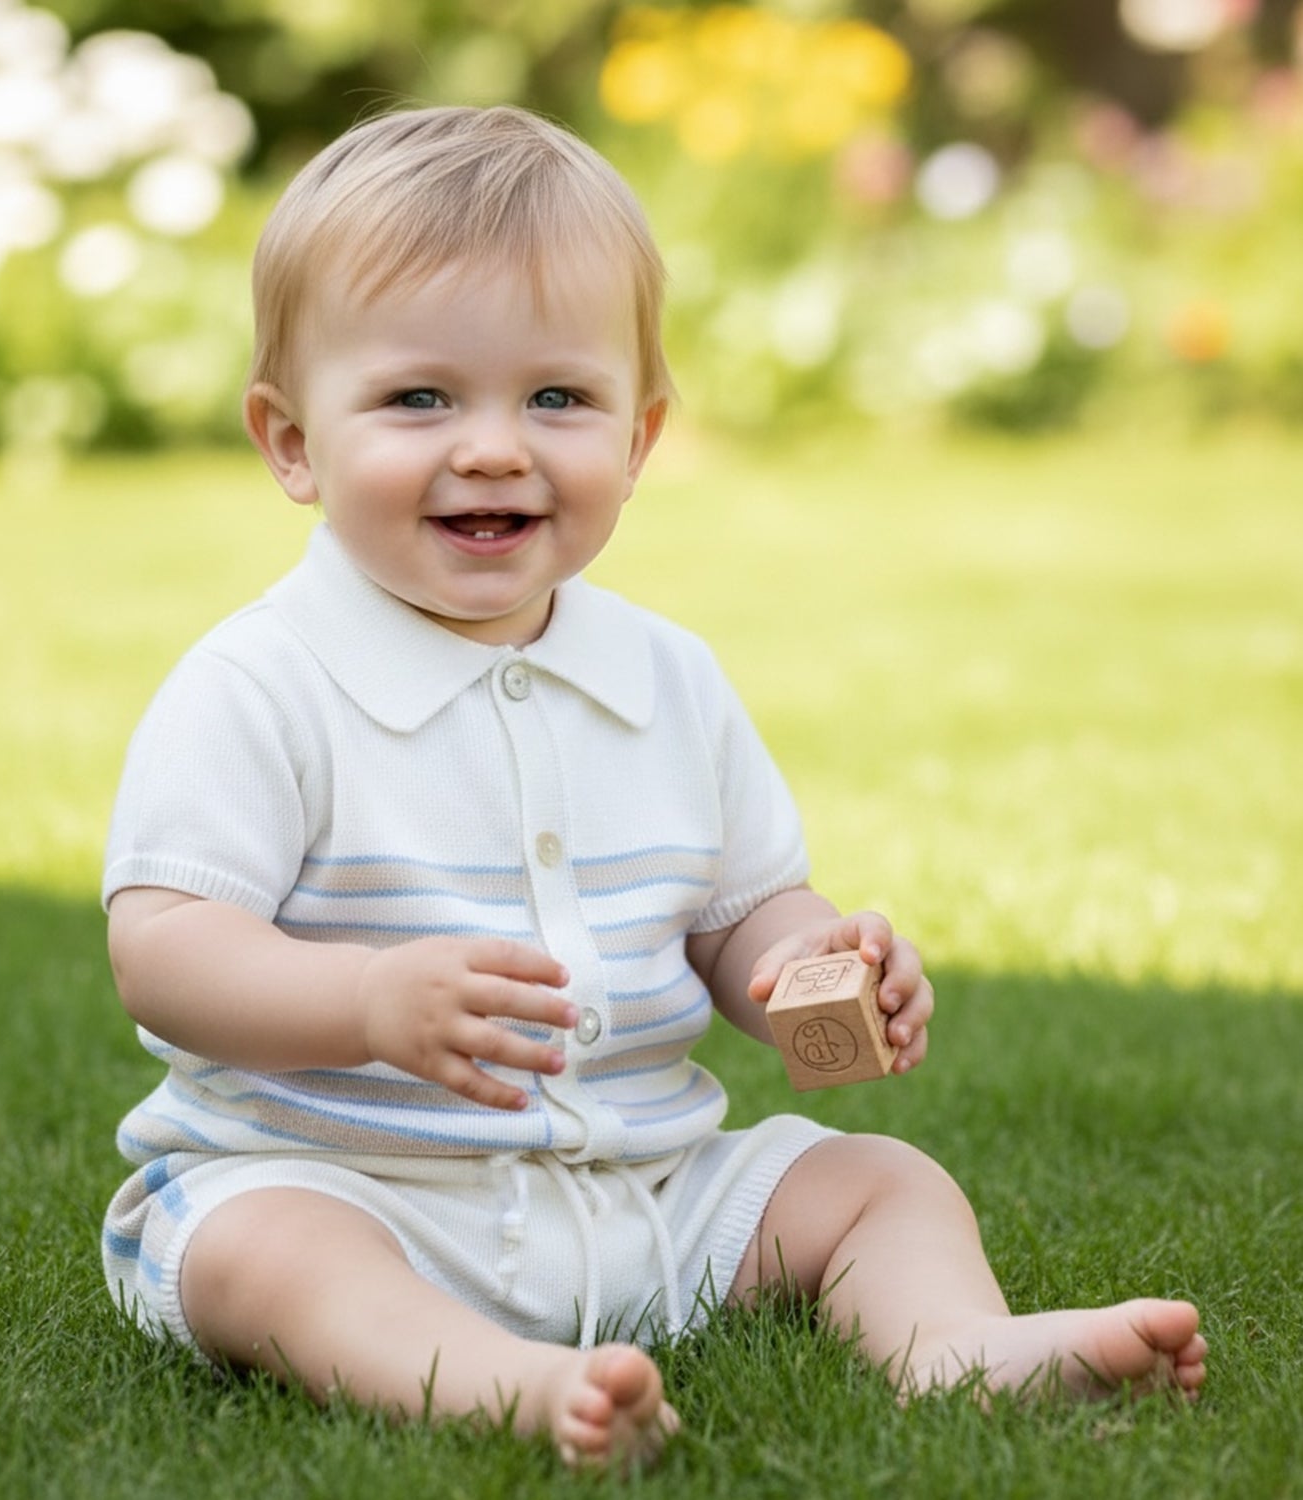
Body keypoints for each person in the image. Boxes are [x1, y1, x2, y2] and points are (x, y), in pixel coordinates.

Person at [99, 104, 1205, 1469]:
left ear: (639, 437)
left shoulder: (666, 680)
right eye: (419, 398)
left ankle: (951, 1349)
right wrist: (367, 999)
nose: (494, 448)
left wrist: (818, 973)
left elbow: (740, 918)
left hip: (644, 1188)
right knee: (264, 1256)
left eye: (557, 399)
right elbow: (165, 953)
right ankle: (497, 1384)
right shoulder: (259, 686)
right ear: (290, 440)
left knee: (879, 1182)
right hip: (359, 1185)